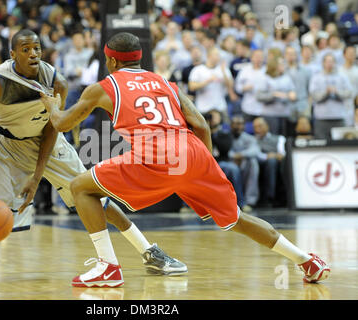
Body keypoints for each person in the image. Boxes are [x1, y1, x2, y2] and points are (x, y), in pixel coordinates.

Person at [41, 32, 330, 287]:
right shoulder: (166, 83)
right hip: (193, 151)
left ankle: (108, 267)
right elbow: (201, 124)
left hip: (157, 155)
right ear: (139, 59)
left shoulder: (104, 87)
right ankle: (306, 261)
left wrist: (53, 107)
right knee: (236, 218)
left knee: (81, 187)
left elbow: (64, 124)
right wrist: (205, 166)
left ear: (112, 61)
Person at [0, 29, 185, 280]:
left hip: (48, 143)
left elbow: (52, 130)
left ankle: (149, 252)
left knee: (92, 194)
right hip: (5, 145)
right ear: (12, 54)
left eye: (37, 48)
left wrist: (36, 178)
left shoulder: (57, 82)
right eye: (25, 49)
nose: (33, 54)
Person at [309, 54, 353, 139]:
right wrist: (326, 93)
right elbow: (314, 95)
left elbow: (349, 93)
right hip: (321, 118)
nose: (330, 64)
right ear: (323, 63)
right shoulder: (316, 77)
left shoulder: (342, 77)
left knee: (340, 146)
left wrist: (337, 92)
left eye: (332, 61)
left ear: (335, 63)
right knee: (321, 144)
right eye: (328, 61)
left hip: (338, 117)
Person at [253, 117, 286, 207]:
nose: (258, 129)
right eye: (255, 127)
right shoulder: (253, 140)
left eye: (260, 126)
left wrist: (274, 156)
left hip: (278, 162)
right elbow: (257, 154)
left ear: (267, 126)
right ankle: (269, 197)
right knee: (270, 162)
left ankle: (279, 197)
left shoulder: (279, 138)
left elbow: (282, 153)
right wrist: (268, 156)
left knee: (273, 162)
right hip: (261, 162)